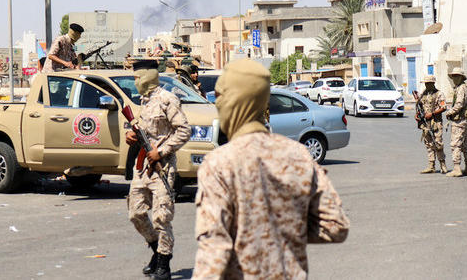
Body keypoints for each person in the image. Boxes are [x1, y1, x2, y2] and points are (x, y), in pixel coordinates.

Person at [193, 59, 350, 279]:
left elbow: (214, 252)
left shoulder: (220, 163)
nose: (217, 106)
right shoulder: (298, 155)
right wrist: (285, 227)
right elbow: (335, 225)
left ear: (234, 101)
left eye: (219, 98)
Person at [125, 59, 191, 280]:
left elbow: (183, 131)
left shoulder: (167, 99)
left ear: (145, 77)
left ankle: (164, 264)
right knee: (136, 213)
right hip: (143, 167)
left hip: (162, 168)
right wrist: (131, 135)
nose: (134, 82)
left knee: (162, 217)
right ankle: (156, 251)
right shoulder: (144, 101)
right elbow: (141, 130)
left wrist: (161, 152)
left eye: (136, 78)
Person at [416, 75, 448, 174]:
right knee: (429, 144)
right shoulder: (423, 94)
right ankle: (431, 166)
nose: (427, 85)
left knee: (438, 143)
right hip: (426, 123)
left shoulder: (439, 94)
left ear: (433, 83)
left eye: (429, 83)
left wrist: (433, 114)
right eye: (426, 83)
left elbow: (443, 107)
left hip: (436, 123)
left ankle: (443, 165)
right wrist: (417, 116)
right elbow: (419, 106)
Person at [445, 67, 467, 177]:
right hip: (465, 120)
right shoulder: (465, 87)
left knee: (455, 144)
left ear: (461, 77)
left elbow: (459, 104)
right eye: (453, 76)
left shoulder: (461, 88)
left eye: (457, 76)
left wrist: (449, 112)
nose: (454, 78)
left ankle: (456, 168)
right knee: (465, 144)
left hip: (459, 120)